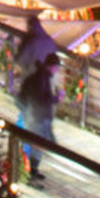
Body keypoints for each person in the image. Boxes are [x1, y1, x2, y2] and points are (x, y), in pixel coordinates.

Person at [18, 52, 62, 182]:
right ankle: (30, 172)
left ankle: (32, 170)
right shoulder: (42, 78)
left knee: (38, 145)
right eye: (56, 67)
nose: (57, 70)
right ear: (51, 66)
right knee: (37, 145)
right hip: (37, 117)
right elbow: (40, 100)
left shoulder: (42, 76)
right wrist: (56, 98)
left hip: (37, 116)